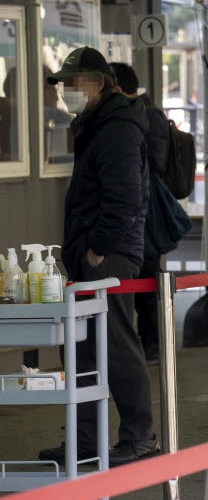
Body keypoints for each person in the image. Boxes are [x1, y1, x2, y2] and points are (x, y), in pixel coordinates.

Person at [39, 47, 158, 466]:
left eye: (73, 83)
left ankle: (139, 437)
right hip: (94, 252)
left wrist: (97, 250)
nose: (65, 91)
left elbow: (125, 198)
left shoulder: (118, 127)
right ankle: (86, 440)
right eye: (62, 84)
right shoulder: (97, 123)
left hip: (109, 255)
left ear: (98, 83)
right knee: (84, 349)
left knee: (116, 343)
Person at [110, 63, 172, 363]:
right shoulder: (132, 112)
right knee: (140, 280)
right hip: (136, 212)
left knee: (148, 281)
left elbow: (157, 163)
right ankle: (145, 344)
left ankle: (154, 344)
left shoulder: (148, 114)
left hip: (147, 213)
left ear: (118, 87)